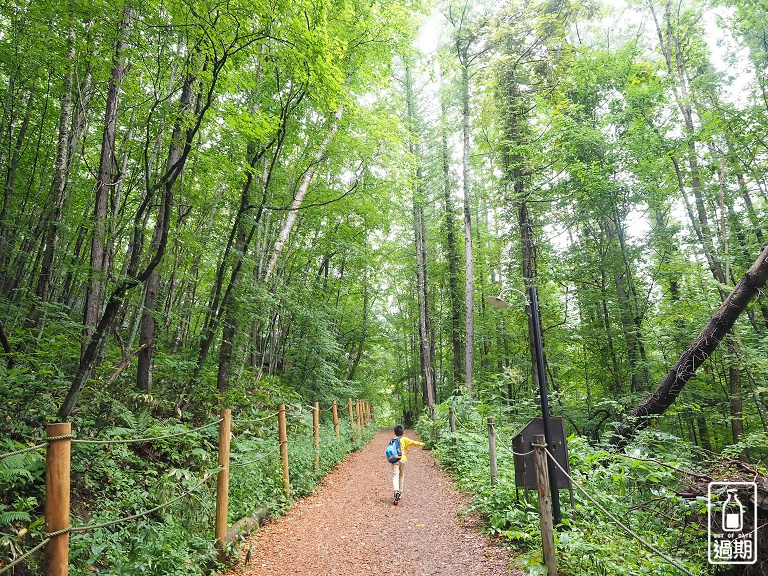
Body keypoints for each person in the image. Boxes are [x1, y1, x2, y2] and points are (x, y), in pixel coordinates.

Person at [389, 424, 425, 505]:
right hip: (402, 459)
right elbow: (413, 443)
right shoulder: (404, 439)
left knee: (395, 475)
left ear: (395, 433)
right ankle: (400, 492)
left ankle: (396, 491)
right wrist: (422, 444)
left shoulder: (392, 440)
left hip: (394, 459)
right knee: (401, 475)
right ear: (403, 432)